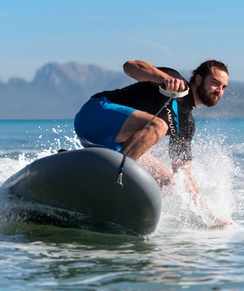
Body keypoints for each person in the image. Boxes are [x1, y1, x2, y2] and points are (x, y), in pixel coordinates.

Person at [74, 59, 230, 224]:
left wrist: (209, 216)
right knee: (159, 126)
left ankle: (124, 212)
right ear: (198, 79)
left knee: (169, 183)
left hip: (113, 146)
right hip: (93, 115)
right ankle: (112, 188)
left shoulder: (186, 126)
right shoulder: (173, 79)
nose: (219, 90)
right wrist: (163, 79)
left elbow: (184, 175)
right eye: (215, 83)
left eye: (223, 87)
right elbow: (130, 67)